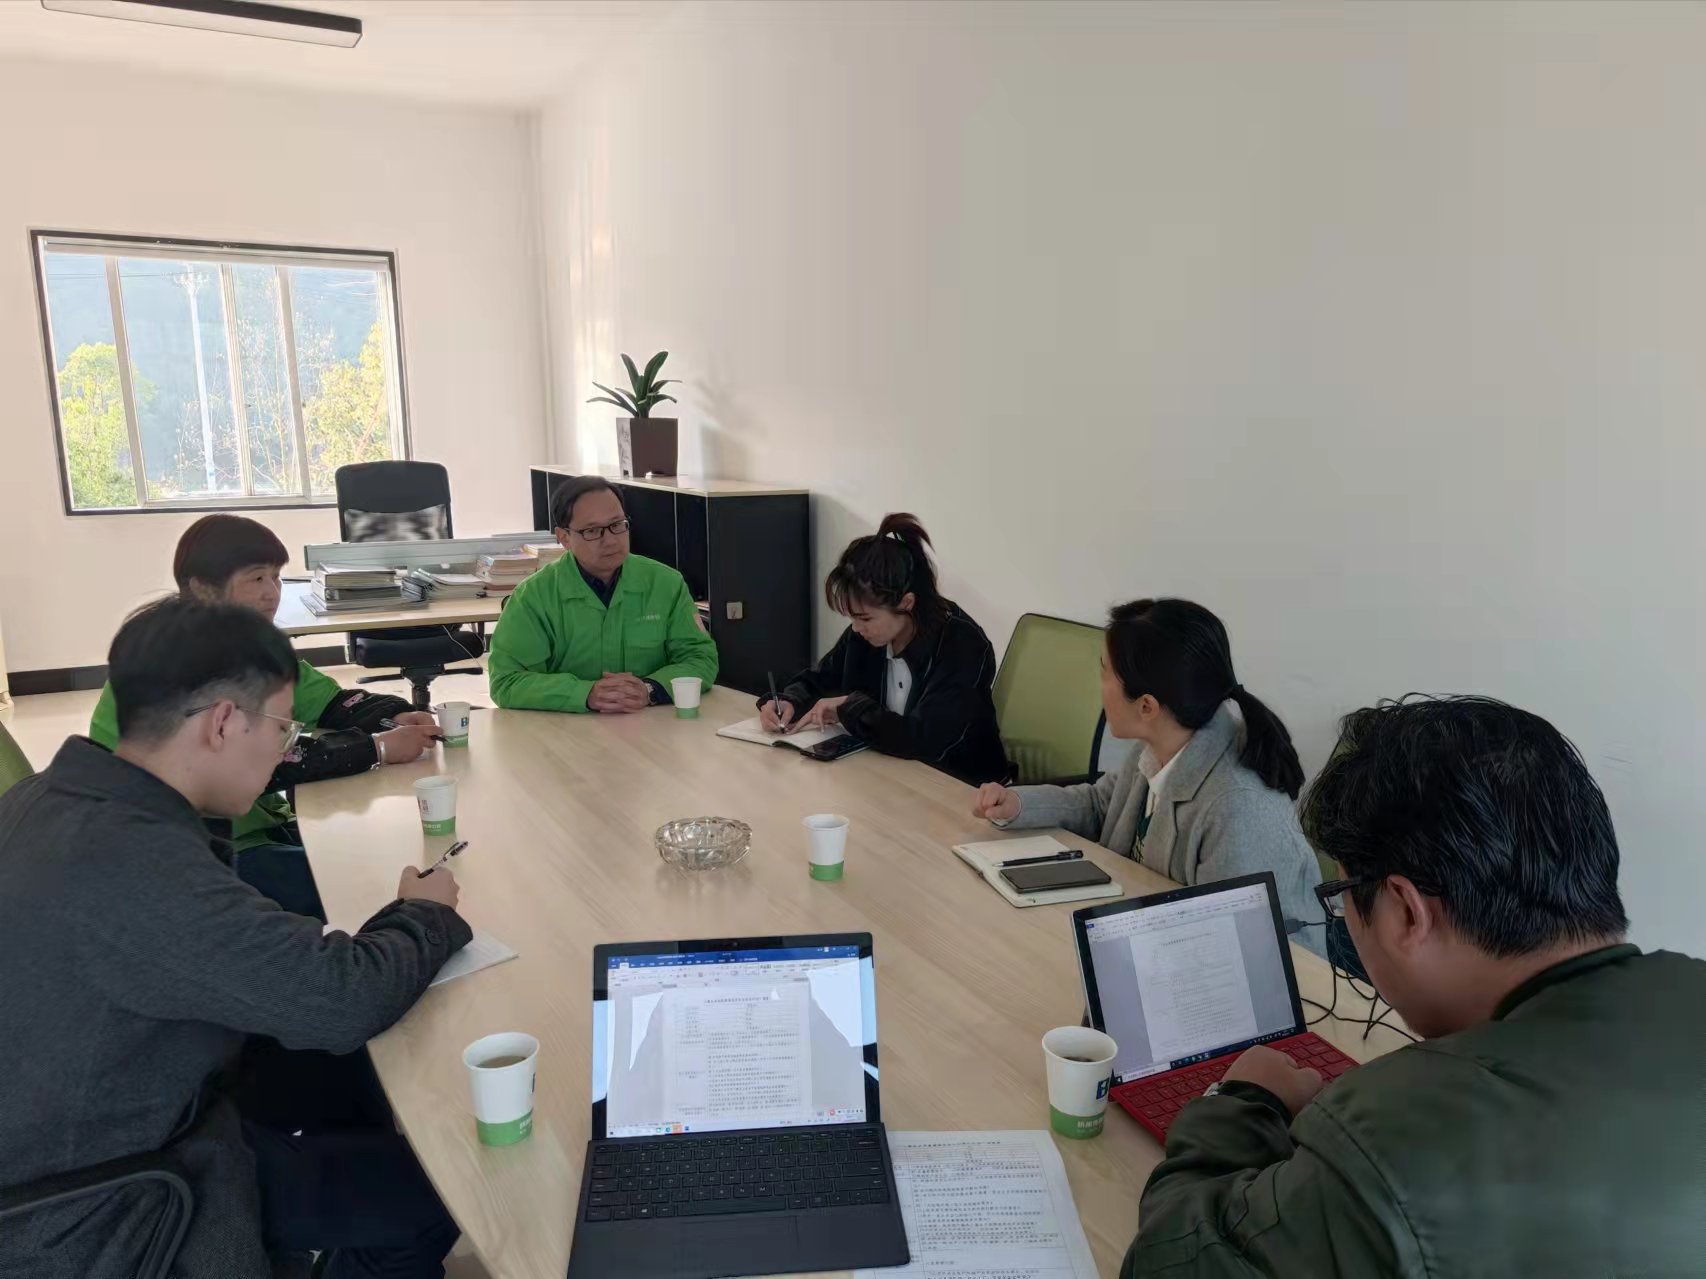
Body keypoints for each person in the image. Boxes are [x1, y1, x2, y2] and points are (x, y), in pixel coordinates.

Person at [1121, 695, 1706, 1277]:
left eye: (1339, 896)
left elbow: (1166, 1261)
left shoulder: (1388, 1143)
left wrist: (1242, 1103)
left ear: (1405, 910)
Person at [0, 597, 471, 1279]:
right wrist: (424, 913)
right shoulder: (134, 862)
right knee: (428, 1196)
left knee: (356, 1071)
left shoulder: (52, 800)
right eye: (282, 727)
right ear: (222, 722)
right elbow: (339, 997)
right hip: (108, 1195)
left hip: (110, 1106)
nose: (286, 749)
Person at [88, 513, 439, 917]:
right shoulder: (183, 659)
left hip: (251, 825)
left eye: (276, 577)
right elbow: (271, 762)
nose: (272, 593)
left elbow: (329, 702)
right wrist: (378, 748)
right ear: (202, 588)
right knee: (363, 883)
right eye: (256, 578)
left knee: (365, 851)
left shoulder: (248, 647)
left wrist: (394, 714)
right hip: (202, 850)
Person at [971, 598, 1321, 950]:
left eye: (1105, 672)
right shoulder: (1162, 742)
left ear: (1146, 706)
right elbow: (1100, 805)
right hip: (1148, 939)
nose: (1099, 685)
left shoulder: (1237, 809)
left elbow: (1234, 944)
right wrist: (1018, 805)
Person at [759, 513, 1010, 785]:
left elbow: (925, 741)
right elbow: (821, 679)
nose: (856, 628)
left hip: (963, 788)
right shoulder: (866, 635)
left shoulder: (962, 646)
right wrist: (789, 700)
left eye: (865, 618)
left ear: (906, 603)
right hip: (889, 776)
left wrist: (850, 707)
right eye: (852, 618)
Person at [488, 475, 719, 713]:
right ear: (564, 537)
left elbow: (700, 658)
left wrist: (649, 689)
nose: (610, 540)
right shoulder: (533, 596)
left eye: (617, 525)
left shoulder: (666, 584)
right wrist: (584, 694)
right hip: (565, 728)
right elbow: (506, 681)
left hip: (649, 723)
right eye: (592, 530)